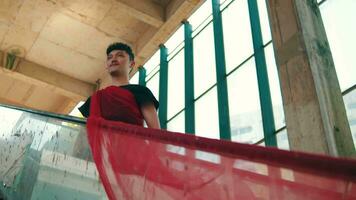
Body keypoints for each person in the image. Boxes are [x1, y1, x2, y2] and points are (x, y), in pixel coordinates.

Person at [78, 42, 160, 129]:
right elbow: (84, 133)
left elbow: (156, 131)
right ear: (106, 65)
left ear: (131, 64)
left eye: (120, 55)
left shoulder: (141, 92)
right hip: (101, 143)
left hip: (131, 141)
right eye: (109, 57)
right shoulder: (95, 99)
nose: (113, 59)